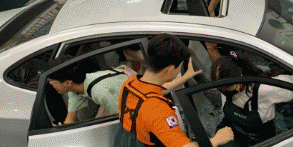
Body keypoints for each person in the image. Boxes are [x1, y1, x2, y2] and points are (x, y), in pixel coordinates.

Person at [47, 52, 200, 125]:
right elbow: (70, 119)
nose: (51, 85)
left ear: (67, 82)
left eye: (52, 81)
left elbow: (124, 119)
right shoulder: (75, 88)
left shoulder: (101, 91)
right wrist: (61, 129)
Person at [211, 52, 293, 147]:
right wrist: (211, 49)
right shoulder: (223, 80)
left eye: (229, 90)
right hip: (229, 127)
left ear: (240, 77)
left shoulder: (264, 88)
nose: (225, 93)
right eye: (222, 90)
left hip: (259, 135)